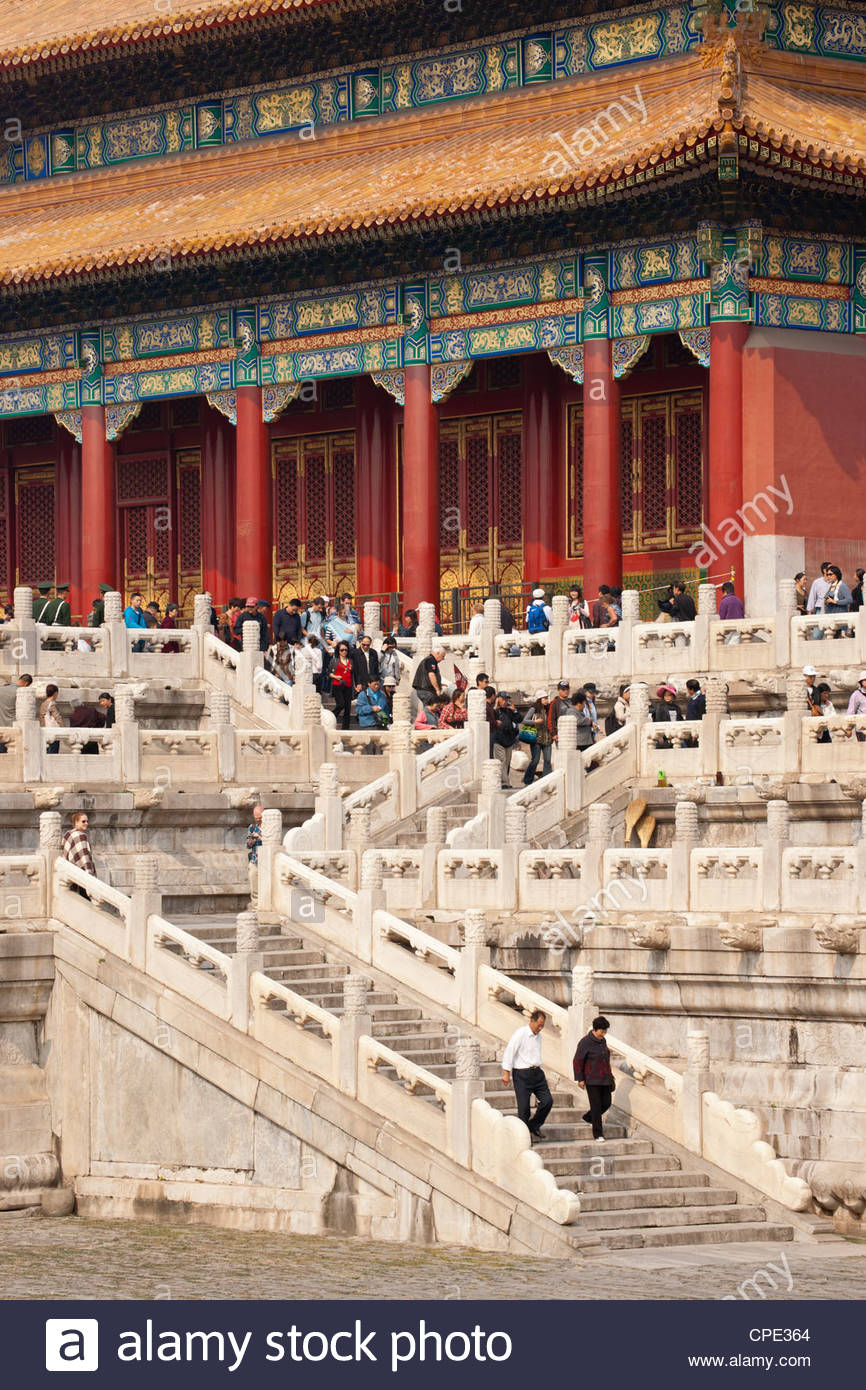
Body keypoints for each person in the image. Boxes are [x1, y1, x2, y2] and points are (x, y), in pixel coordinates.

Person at [502, 1009, 552, 1143]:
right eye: (539, 1024)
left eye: (543, 1025)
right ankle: (523, 1137)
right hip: (522, 1074)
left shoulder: (539, 1036)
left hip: (537, 1073)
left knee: (548, 1101)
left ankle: (533, 1125)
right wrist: (506, 1072)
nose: (540, 1028)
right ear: (532, 1021)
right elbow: (510, 1051)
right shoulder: (520, 1033)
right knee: (524, 1108)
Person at [573, 1015, 615, 1141]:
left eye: (605, 1031)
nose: (604, 1034)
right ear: (595, 1029)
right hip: (592, 1079)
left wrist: (611, 1076)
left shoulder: (603, 1041)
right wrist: (580, 1078)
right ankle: (598, 1134)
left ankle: (588, 1117)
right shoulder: (585, 1042)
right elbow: (577, 1061)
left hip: (605, 1078)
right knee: (596, 1105)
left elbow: (606, 1060)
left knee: (606, 1103)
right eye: (602, 1031)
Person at [521, 690, 553, 784]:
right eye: (544, 698)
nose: (546, 700)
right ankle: (528, 779)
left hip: (547, 738)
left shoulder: (548, 709)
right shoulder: (533, 709)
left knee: (547, 760)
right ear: (539, 699)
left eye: (547, 698)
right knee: (535, 760)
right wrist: (535, 722)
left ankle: (546, 780)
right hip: (536, 738)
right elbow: (525, 720)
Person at [61, 811, 95, 896]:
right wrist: (89, 874)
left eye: (87, 821)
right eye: (83, 821)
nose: (86, 823)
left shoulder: (68, 834)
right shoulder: (81, 836)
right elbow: (85, 857)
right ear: (76, 822)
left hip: (71, 872)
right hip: (82, 874)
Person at [492, 691, 518, 787]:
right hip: (498, 740)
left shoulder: (509, 710)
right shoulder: (494, 710)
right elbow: (490, 717)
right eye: (503, 699)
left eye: (506, 699)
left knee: (507, 762)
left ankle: (505, 780)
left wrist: (514, 710)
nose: (505, 701)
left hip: (509, 740)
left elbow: (519, 719)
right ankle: (504, 783)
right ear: (498, 699)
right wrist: (495, 706)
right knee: (501, 761)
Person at [330, 641, 355, 729]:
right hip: (338, 684)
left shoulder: (350, 661)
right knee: (341, 704)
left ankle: (346, 727)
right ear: (338, 651)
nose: (344, 652)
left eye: (346, 650)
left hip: (348, 685)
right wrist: (336, 676)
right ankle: (331, 717)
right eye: (342, 650)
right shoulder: (335, 660)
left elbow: (353, 673)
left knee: (348, 707)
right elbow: (329, 673)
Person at [246, 804, 263, 908]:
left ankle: (264, 905)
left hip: (266, 860)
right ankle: (256, 906)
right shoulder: (252, 827)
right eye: (256, 818)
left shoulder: (269, 827)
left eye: (260, 818)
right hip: (254, 859)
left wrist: (260, 837)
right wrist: (251, 840)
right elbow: (248, 845)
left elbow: (273, 843)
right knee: (254, 883)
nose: (258, 820)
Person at [40, 683, 63, 754]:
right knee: (53, 751)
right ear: (55, 693)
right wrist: (63, 727)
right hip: (53, 730)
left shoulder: (43, 704)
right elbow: (57, 717)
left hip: (45, 729)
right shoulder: (52, 704)